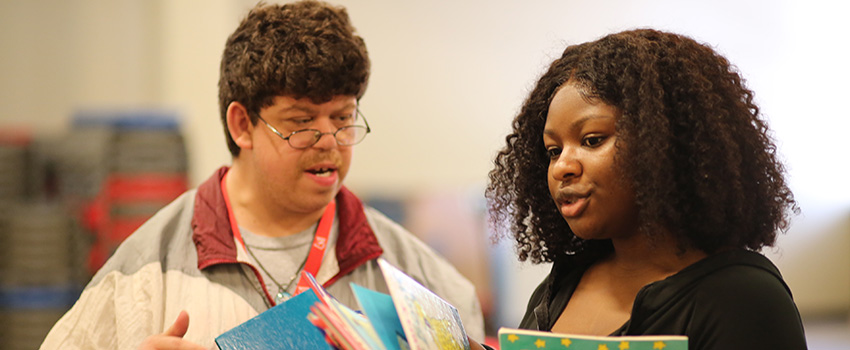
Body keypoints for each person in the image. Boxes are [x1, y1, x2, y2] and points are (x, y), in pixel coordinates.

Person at [40, 1, 484, 349]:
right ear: (240, 125)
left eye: (343, 118)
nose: (329, 140)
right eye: (301, 121)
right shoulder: (146, 271)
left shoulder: (422, 279)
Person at [482, 29, 807, 349]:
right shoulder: (560, 286)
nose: (562, 167)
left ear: (664, 143)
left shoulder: (744, 300)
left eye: (591, 140)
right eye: (553, 151)